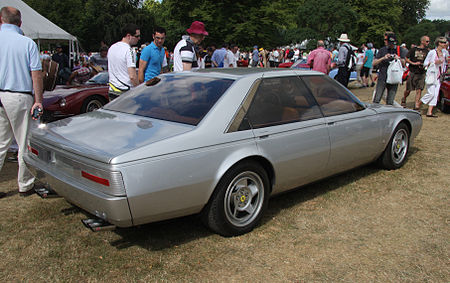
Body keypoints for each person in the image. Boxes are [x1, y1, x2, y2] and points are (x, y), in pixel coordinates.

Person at [0, 7, 43, 197]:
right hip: (19, 95)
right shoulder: (27, 43)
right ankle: (25, 184)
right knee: (25, 141)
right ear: (20, 22)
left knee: (1, 143)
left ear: (1, 20)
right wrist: (39, 100)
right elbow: (36, 73)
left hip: (1, 95)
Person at [416, 36, 448, 117]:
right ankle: (418, 105)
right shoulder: (432, 52)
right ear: (438, 43)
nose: (445, 44)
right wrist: (434, 62)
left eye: (445, 42)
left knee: (436, 94)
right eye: (443, 42)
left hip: (439, 75)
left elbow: (444, 64)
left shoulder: (444, 53)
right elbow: (425, 63)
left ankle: (429, 112)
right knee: (431, 93)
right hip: (432, 74)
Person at [107, 23, 140, 100]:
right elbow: (132, 76)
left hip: (112, 90)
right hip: (125, 92)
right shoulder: (129, 51)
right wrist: (139, 89)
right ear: (128, 36)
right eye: (137, 36)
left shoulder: (112, 47)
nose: (139, 38)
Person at [372, 32, 407, 105]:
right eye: (390, 43)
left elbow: (404, 63)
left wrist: (398, 58)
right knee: (377, 98)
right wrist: (383, 58)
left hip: (394, 77)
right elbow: (374, 63)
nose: (391, 45)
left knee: (390, 100)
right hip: (383, 77)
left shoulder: (399, 50)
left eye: (393, 43)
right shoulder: (382, 50)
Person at [401, 36, 430, 109]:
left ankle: (416, 105)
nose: (428, 43)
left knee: (419, 89)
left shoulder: (428, 51)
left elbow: (430, 61)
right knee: (408, 89)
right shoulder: (413, 49)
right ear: (422, 41)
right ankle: (404, 98)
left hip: (422, 72)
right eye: (427, 41)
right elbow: (406, 58)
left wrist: (426, 65)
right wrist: (413, 63)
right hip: (413, 71)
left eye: (428, 41)